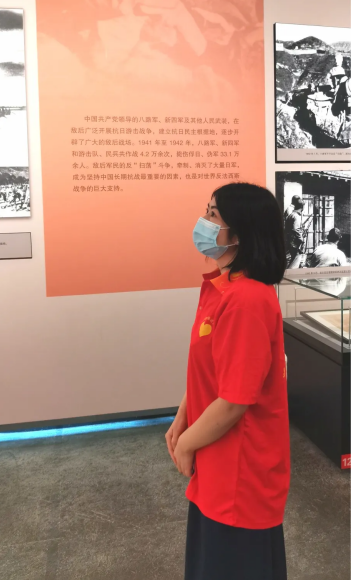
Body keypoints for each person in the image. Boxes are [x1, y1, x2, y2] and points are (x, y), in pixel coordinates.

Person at [165, 183, 290, 581]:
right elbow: (211, 371)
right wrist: (182, 417)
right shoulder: (222, 290)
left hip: (240, 473)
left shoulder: (245, 301)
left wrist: (186, 443)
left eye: (213, 215)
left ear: (240, 233)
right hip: (217, 460)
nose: (203, 221)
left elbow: (235, 400)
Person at [284, 197, 305, 268]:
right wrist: (301, 239)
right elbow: (296, 229)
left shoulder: (291, 215)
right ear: (302, 207)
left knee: (290, 260)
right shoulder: (296, 216)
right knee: (295, 261)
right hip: (294, 243)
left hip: (289, 241)